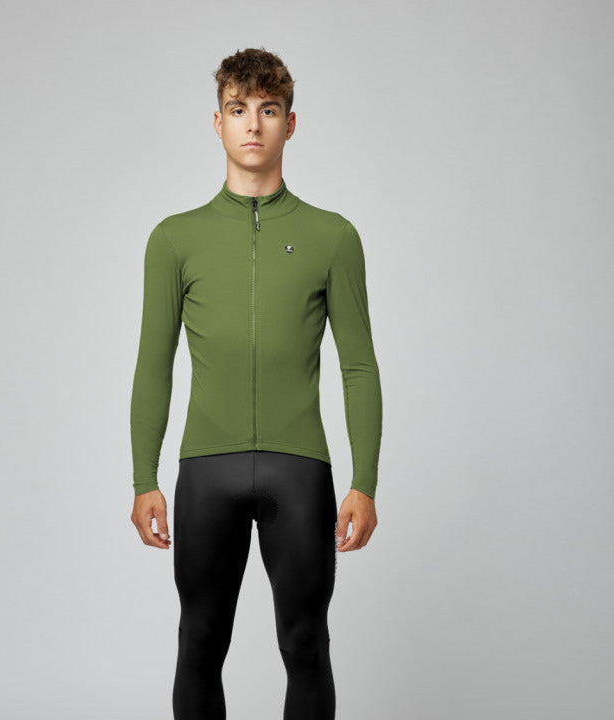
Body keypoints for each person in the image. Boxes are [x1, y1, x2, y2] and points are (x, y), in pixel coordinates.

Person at [129, 47, 383, 720]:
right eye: (238, 109)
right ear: (217, 123)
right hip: (205, 471)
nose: (253, 125)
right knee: (199, 642)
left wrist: (364, 481)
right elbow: (153, 362)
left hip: (298, 472)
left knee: (306, 644)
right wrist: (143, 478)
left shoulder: (333, 236)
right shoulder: (174, 239)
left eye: (268, 111)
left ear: (289, 124)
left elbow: (359, 365)